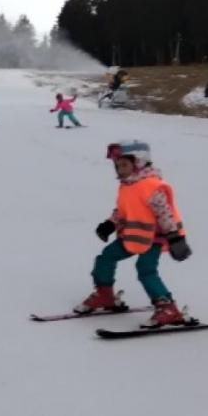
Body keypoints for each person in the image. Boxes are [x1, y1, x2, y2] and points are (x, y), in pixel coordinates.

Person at [74, 140, 192, 327]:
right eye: (117, 165)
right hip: (131, 236)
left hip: (154, 238)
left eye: (124, 165)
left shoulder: (151, 186)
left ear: (139, 163)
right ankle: (105, 295)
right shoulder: (127, 185)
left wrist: (175, 238)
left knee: (146, 270)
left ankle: (168, 308)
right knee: (105, 258)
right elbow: (123, 211)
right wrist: (109, 224)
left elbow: (164, 213)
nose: (120, 169)